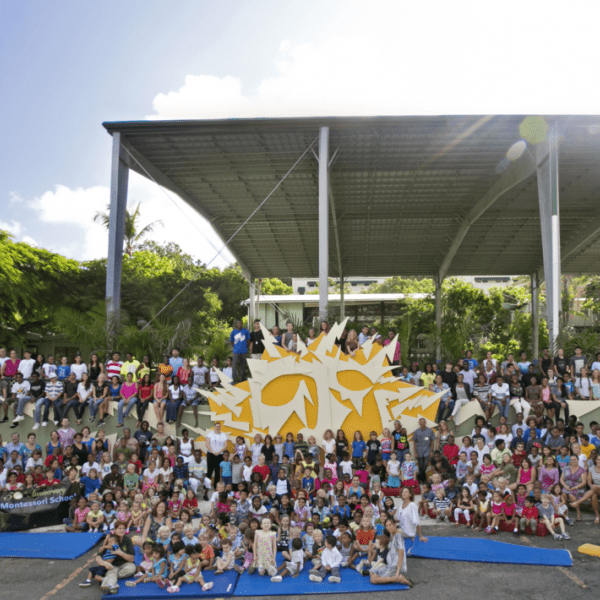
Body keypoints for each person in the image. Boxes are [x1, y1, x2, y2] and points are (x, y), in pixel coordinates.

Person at [98, 520, 136, 594]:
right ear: (115, 530)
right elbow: (98, 556)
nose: (122, 530)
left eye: (123, 528)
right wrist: (104, 563)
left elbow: (131, 559)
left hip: (125, 564)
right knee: (112, 570)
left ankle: (108, 579)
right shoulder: (110, 539)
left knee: (132, 568)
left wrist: (120, 553)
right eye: (119, 528)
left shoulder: (127, 540)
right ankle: (111, 585)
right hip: (113, 565)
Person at [413, 418, 434, 483]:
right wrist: (415, 452)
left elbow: (432, 441)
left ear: (425, 422)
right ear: (419, 423)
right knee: (420, 465)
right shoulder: (416, 431)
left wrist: (431, 451)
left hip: (427, 450)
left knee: (425, 464)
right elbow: (414, 442)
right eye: (420, 422)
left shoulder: (430, 430)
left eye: (423, 422)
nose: (422, 423)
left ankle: (419, 476)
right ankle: (423, 479)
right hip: (419, 451)